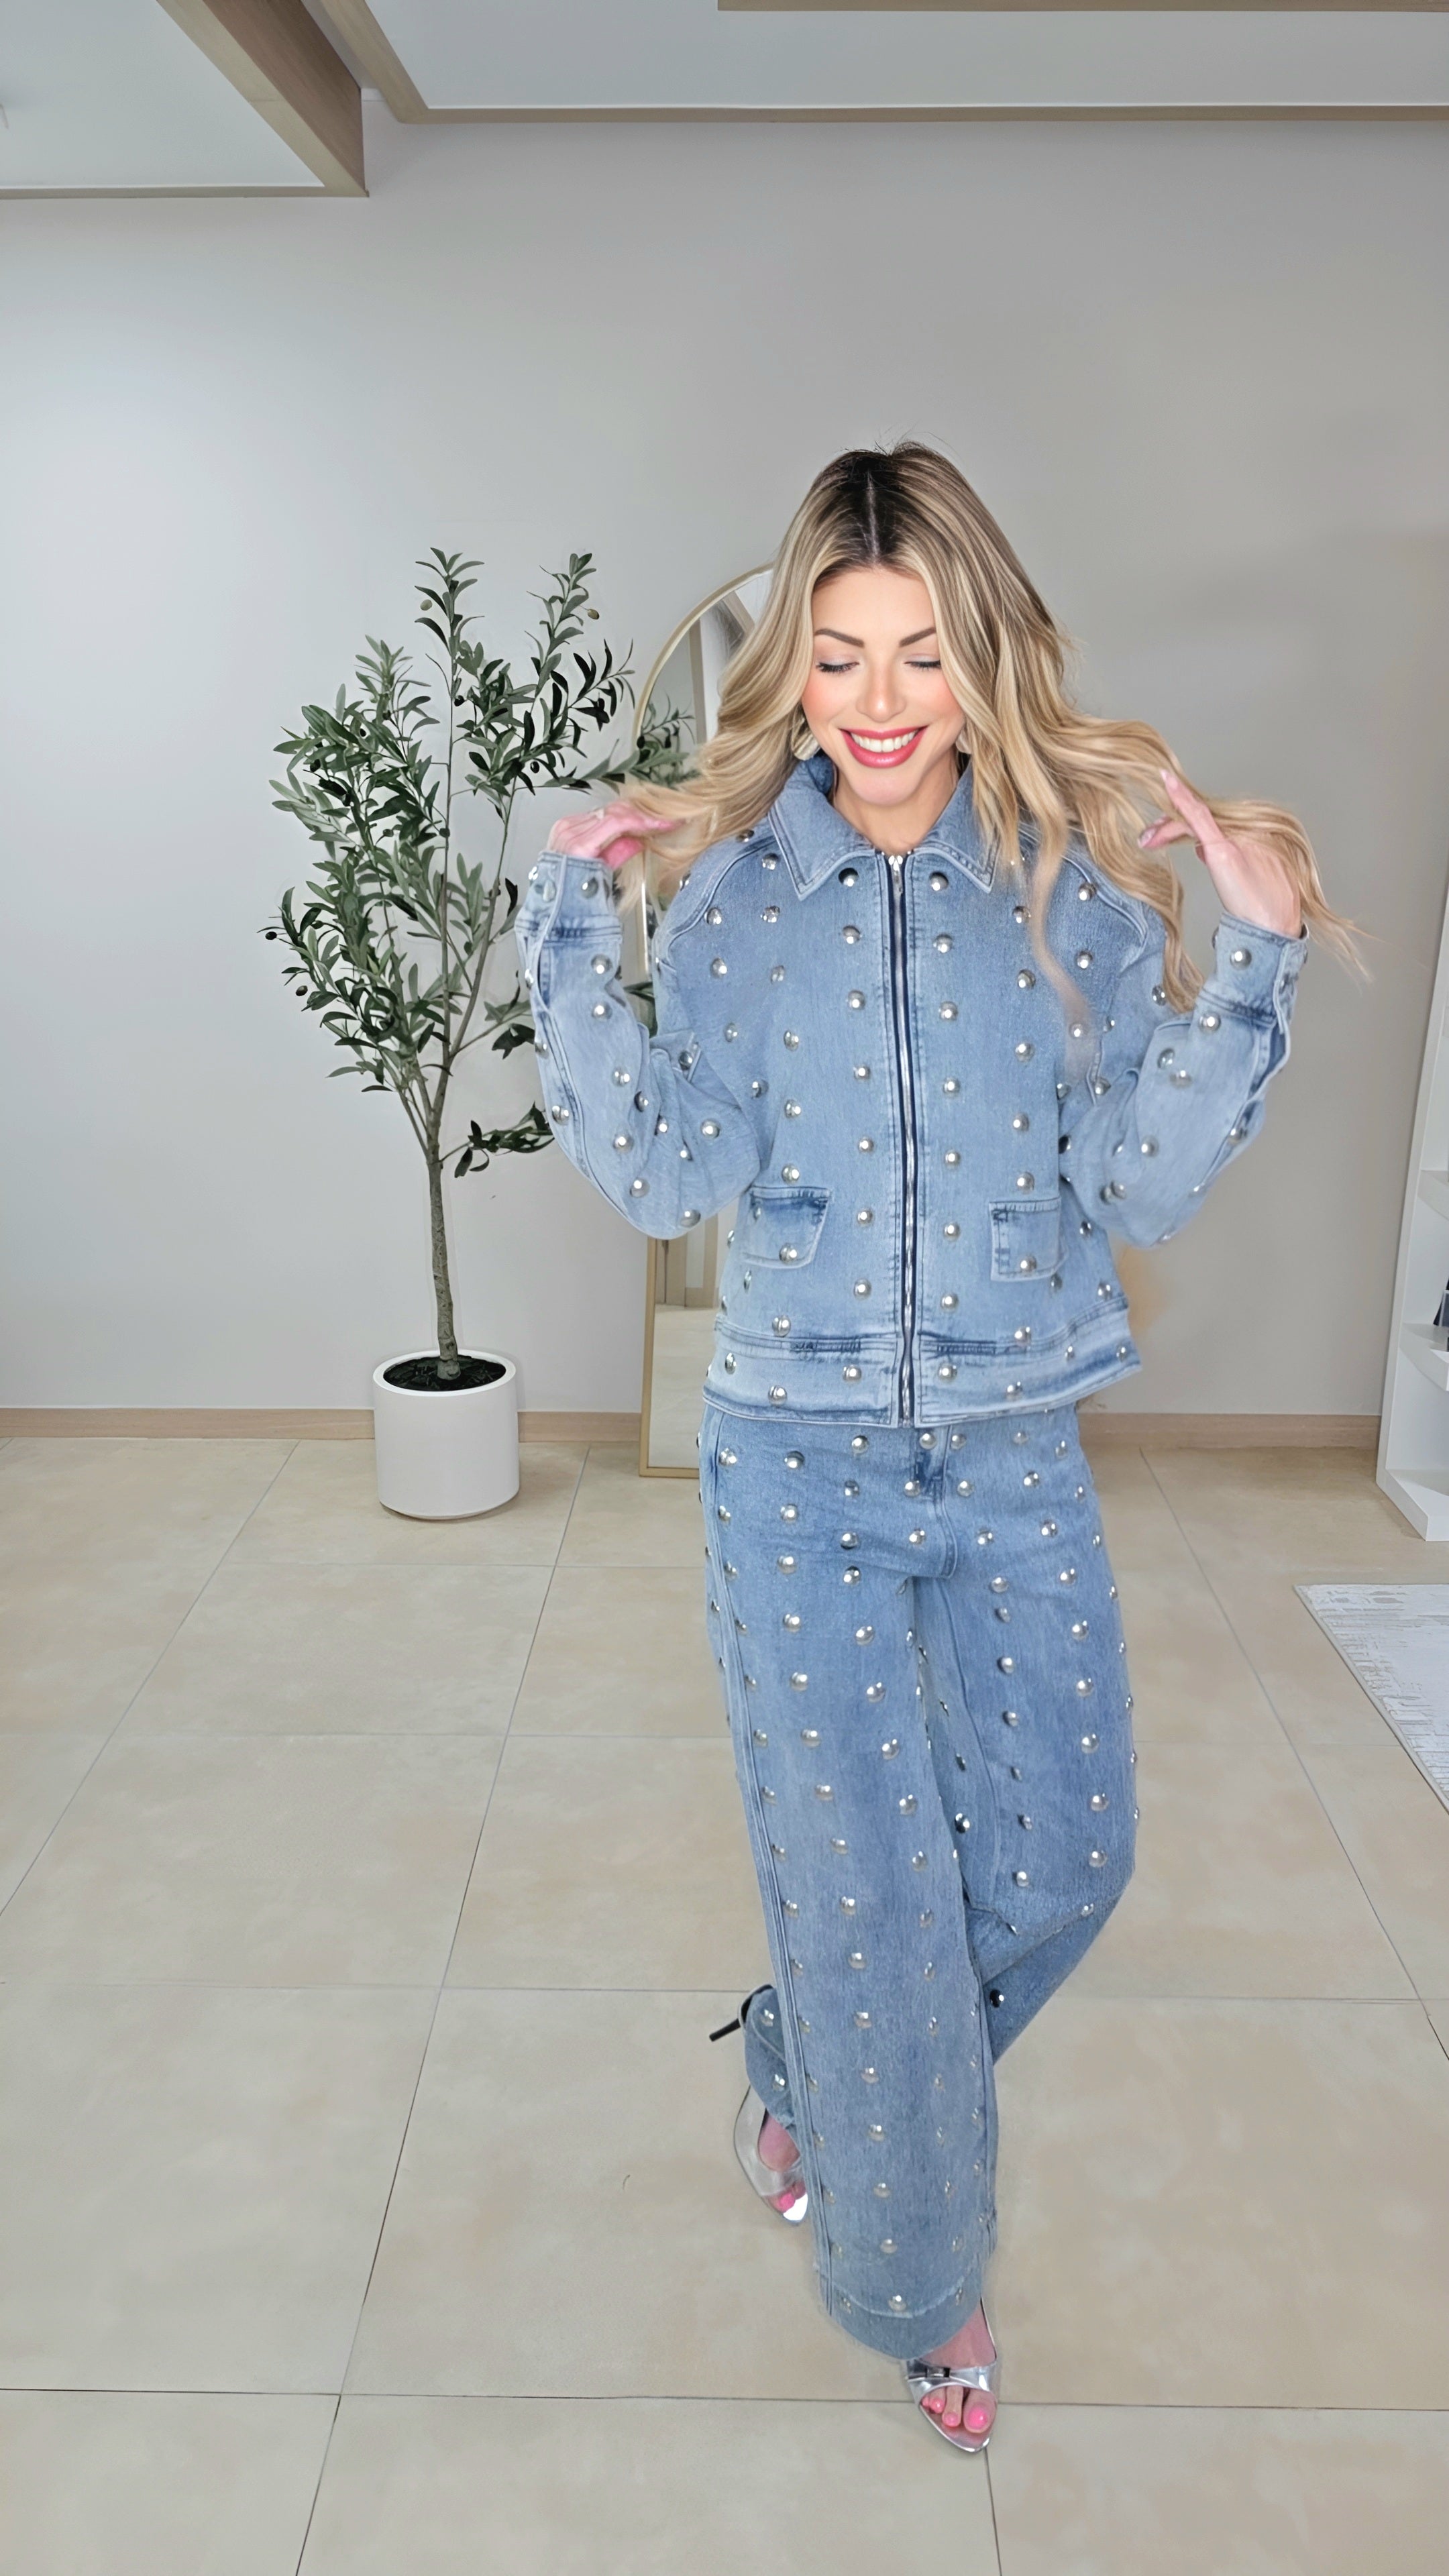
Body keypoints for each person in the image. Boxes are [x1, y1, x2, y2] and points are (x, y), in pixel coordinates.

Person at [514, 441, 1351, 2454]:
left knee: (1069, 1855)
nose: (880, 704)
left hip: (1010, 1450)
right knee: (878, 1891)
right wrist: (569, 939)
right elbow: (668, 1172)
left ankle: (808, 2054)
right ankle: (920, 2283)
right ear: (793, 674)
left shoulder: (1071, 887)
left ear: (986, 661)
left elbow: (1138, 1186)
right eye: (838, 656)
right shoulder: (739, 898)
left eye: (921, 654)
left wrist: (1252, 963)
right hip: (793, 1468)